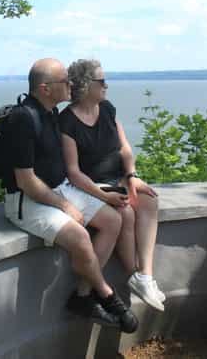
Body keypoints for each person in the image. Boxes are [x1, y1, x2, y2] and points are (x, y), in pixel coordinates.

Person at [3, 58, 138, 332]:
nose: (71, 85)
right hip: (27, 201)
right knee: (79, 236)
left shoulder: (51, 114)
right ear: (45, 88)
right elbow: (26, 181)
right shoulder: (23, 119)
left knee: (114, 220)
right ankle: (107, 295)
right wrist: (64, 206)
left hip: (58, 189)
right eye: (65, 81)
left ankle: (82, 296)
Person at [59, 59, 165, 312]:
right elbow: (73, 172)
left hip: (118, 177)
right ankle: (133, 274)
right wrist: (104, 196)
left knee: (149, 198)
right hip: (92, 184)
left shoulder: (106, 108)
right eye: (102, 81)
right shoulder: (67, 122)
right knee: (125, 212)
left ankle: (144, 276)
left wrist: (132, 175)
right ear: (85, 86)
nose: (107, 86)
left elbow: (124, 147)